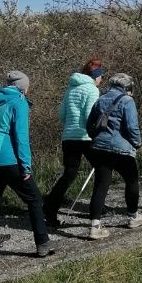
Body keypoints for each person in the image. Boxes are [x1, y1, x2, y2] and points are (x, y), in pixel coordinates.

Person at [0, 70, 52, 268]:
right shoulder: (19, 101)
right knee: (34, 198)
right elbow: (21, 137)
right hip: (9, 160)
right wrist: (26, 165)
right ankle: (42, 242)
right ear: (24, 87)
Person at [87, 73, 142, 239]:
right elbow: (132, 127)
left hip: (99, 148)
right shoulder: (127, 101)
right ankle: (133, 217)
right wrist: (137, 143)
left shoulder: (100, 99)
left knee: (101, 185)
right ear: (127, 87)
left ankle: (95, 226)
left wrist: (96, 138)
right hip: (121, 149)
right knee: (131, 180)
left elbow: (89, 124)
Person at [43, 59, 105, 227]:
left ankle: (49, 208)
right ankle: (96, 209)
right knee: (102, 170)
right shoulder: (92, 89)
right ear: (96, 76)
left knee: (69, 175)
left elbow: (62, 115)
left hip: (69, 137)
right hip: (85, 137)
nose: (101, 79)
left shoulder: (70, 88)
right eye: (101, 76)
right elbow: (89, 116)